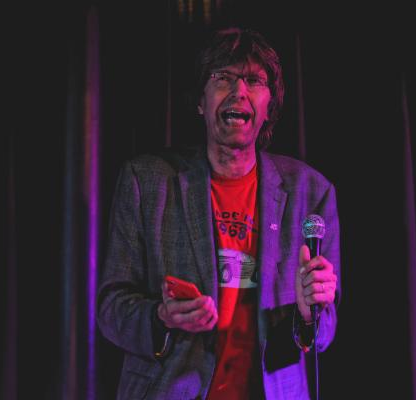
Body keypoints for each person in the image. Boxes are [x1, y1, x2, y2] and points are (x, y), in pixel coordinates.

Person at [97, 27, 341, 400]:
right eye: (222, 77)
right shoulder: (146, 182)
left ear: (269, 106)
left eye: (254, 80)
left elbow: (324, 331)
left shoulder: (311, 192)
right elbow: (111, 310)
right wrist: (161, 316)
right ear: (201, 100)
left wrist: (309, 313)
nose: (238, 91)